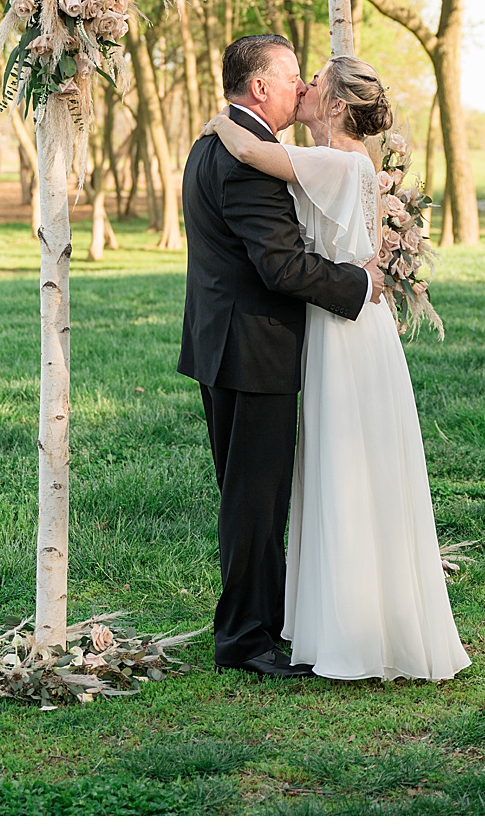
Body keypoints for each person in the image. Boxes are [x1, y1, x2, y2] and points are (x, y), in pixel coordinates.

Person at [200, 57, 470, 683]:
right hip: (331, 323)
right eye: (300, 76)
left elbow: (251, 148)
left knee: (346, 469)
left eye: (316, 80)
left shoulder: (340, 163)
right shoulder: (339, 165)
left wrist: (221, 120)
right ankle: (333, 617)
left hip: (340, 329)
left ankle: (355, 626)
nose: (305, 87)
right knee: (330, 473)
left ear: (342, 106)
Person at [177, 34, 383, 679]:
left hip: (224, 342)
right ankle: (246, 641)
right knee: (254, 502)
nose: (302, 86)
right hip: (254, 348)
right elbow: (280, 266)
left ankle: (258, 625)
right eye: (293, 74)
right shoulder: (245, 159)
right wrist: (363, 285)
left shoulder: (219, 142)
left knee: (248, 498)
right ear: (260, 88)